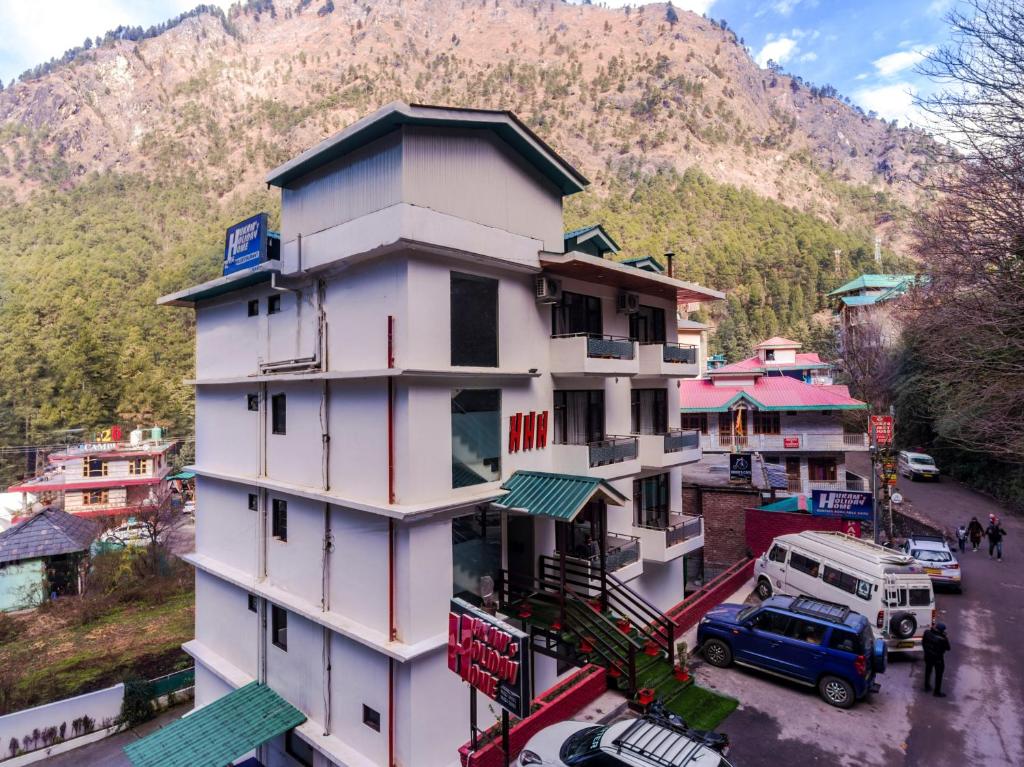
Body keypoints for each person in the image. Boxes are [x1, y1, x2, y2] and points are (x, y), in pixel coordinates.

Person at [922, 622, 951, 698]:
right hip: (938, 659)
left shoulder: (927, 633)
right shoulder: (943, 639)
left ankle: (926, 686)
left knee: (928, 670)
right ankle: (937, 691)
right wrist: (945, 637)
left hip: (928, 656)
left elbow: (923, 642)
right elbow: (948, 648)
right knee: (939, 675)